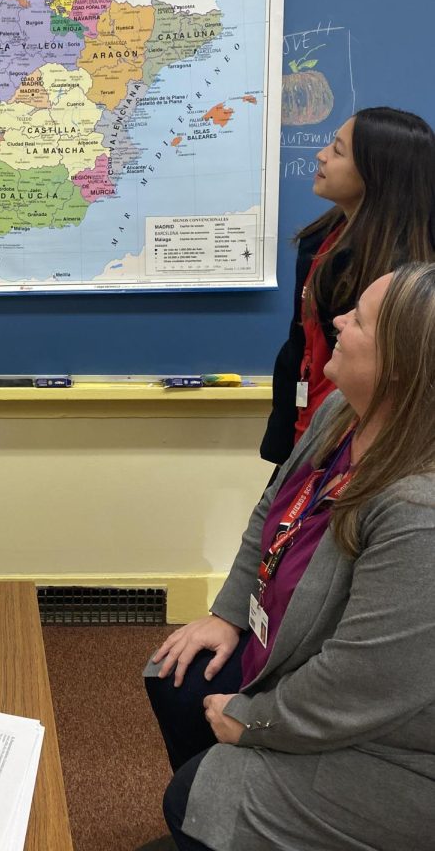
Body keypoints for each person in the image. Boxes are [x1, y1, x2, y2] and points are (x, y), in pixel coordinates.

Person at [140, 262, 435, 851]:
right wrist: (228, 612)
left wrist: (253, 723)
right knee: (175, 678)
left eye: (359, 319)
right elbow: (271, 509)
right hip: (299, 652)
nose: (339, 319)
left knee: (197, 794)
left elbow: (363, 685)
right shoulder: (340, 415)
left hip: (393, 740)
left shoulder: (419, 512)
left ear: (400, 366)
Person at [260, 106, 435, 467]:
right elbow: (301, 344)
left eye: (338, 151)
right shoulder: (320, 240)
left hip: (357, 445)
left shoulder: (404, 279)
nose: (321, 155)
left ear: (377, 175)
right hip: (306, 432)